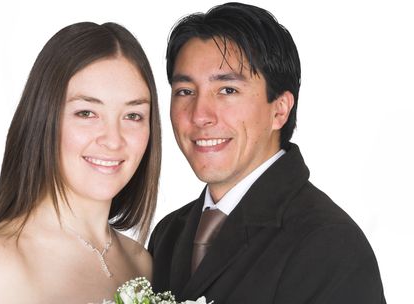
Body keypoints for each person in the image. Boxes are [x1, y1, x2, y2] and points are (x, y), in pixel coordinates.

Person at [148, 2, 385, 303]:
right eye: (185, 91)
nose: (199, 115)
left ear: (280, 110)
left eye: (227, 91)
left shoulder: (330, 244)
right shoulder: (168, 235)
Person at [0, 22, 161, 303]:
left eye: (133, 116)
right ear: (44, 119)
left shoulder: (141, 263)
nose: (113, 140)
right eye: (86, 113)